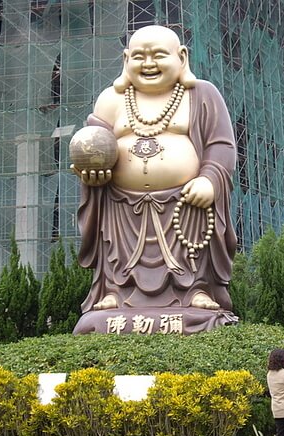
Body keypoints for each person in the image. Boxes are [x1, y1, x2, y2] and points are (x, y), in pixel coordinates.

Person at [71, 25, 236, 314]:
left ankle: (195, 289)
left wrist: (209, 179)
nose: (148, 64)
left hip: (184, 202)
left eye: (158, 55)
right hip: (121, 205)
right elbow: (93, 144)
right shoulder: (111, 99)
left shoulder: (201, 94)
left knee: (191, 245)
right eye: (139, 57)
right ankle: (115, 290)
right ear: (125, 60)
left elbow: (222, 145)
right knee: (116, 246)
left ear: (181, 57)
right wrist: (91, 174)